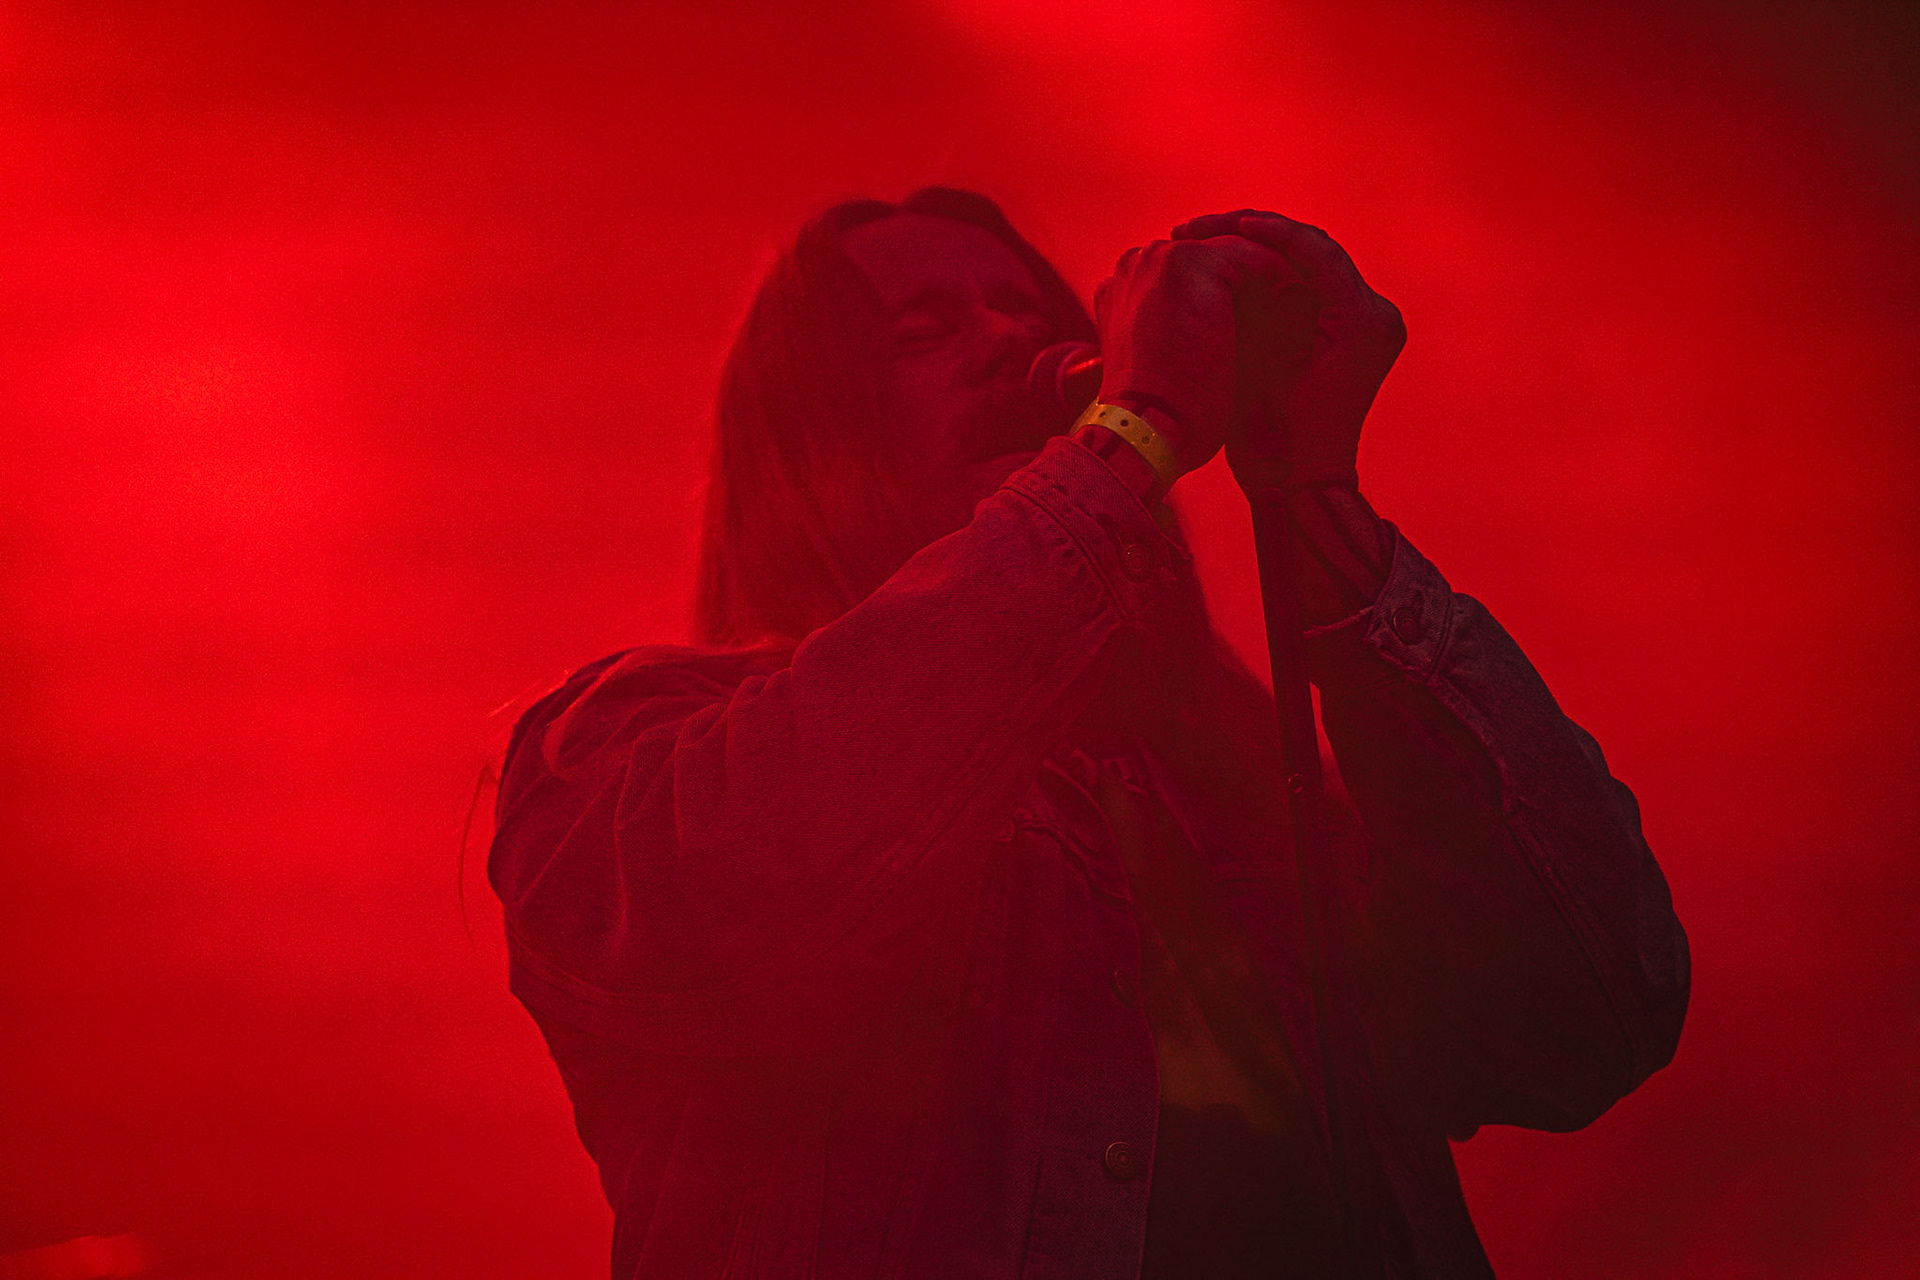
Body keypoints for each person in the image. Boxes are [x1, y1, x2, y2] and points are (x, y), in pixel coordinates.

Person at [487, 188, 1689, 1278]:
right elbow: (767, 887)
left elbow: (1586, 1008)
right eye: (923, 330)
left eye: (1026, 309)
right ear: (807, 441)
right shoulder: (616, 750)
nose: (1011, 342)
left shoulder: (1241, 798)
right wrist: (1142, 421)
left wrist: (1316, 494)